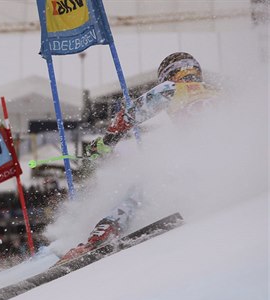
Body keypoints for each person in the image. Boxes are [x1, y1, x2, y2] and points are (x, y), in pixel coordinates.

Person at [64, 52, 219, 259]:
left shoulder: (172, 88)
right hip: (217, 160)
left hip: (195, 156)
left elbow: (130, 115)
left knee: (140, 192)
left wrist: (106, 142)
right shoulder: (217, 91)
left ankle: (98, 239)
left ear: (169, 75)